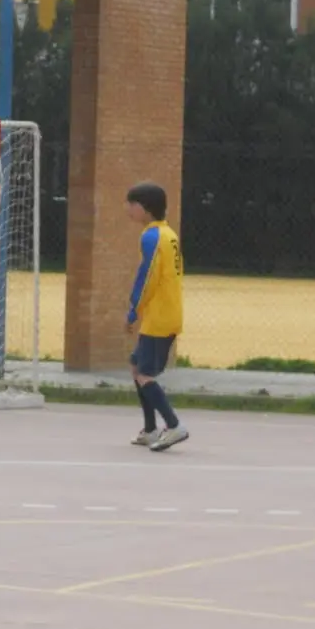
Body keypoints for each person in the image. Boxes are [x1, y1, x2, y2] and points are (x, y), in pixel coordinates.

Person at [125, 181, 187, 451]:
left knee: (145, 375)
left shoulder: (151, 237)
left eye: (131, 204)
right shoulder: (167, 234)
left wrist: (132, 311)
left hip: (159, 316)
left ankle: (173, 426)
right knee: (137, 366)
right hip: (165, 312)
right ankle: (150, 429)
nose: (127, 209)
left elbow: (146, 277)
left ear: (144, 208)